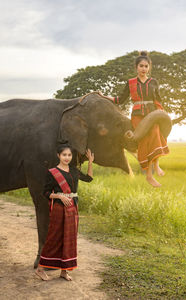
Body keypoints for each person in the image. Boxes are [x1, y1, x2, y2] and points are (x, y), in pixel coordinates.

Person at [101, 51, 169, 187]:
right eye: (141, 66)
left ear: (149, 67)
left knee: (156, 133)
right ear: (136, 67)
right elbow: (120, 99)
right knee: (144, 141)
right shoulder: (131, 82)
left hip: (152, 114)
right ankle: (149, 176)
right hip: (138, 116)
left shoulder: (153, 82)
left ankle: (157, 165)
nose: (143, 69)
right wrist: (105, 97)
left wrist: (161, 113)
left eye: (146, 66)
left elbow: (158, 100)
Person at [35, 143, 94, 281]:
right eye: (64, 155)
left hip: (72, 208)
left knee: (69, 239)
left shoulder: (74, 171)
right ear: (58, 156)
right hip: (59, 208)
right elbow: (46, 192)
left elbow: (89, 178)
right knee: (54, 238)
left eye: (69, 155)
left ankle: (64, 271)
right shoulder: (52, 172)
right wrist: (59, 196)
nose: (67, 158)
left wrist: (90, 162)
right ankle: (40, 269)